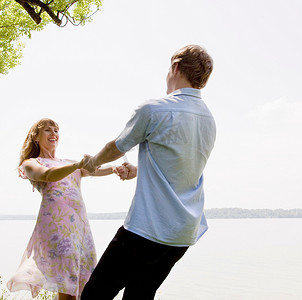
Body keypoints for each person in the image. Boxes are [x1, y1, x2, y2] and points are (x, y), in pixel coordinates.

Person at [80, 45, 216, 300]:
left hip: (149, 227)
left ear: (175, 67)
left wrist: (92, 163)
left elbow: (116, 147)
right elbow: (180, 164)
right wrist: (139, 170)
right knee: (140, 295)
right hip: (182, 233)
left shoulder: (154, 109)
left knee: (95, 294)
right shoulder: (209, 118)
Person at [7, 118, 127, 300]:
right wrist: (78, 165)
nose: (53, 133)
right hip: (57, 227)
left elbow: (94, 169)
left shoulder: (68, 161)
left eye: (56, 130)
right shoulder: (31, 162)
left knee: (82, 286)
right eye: (48, 130)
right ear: (36, 137)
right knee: (68, 285)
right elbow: (47, 175)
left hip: (80, 227)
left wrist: (115, 168)